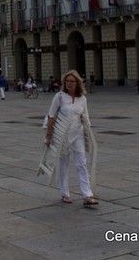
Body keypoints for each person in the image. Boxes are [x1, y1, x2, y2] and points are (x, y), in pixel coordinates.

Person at [44, 70, 99, 207]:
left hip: (78, 135)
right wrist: (49, 136)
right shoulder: (60, 96)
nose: (69, 83)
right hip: (62, 135)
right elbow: (51, 115)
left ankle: (87, 194)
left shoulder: (82, 99)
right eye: (67, 81)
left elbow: (86, 118)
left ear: (77, 83)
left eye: (72, 81)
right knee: (64, 164)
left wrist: (88, 136)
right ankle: (65, 193)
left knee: (82, 163)